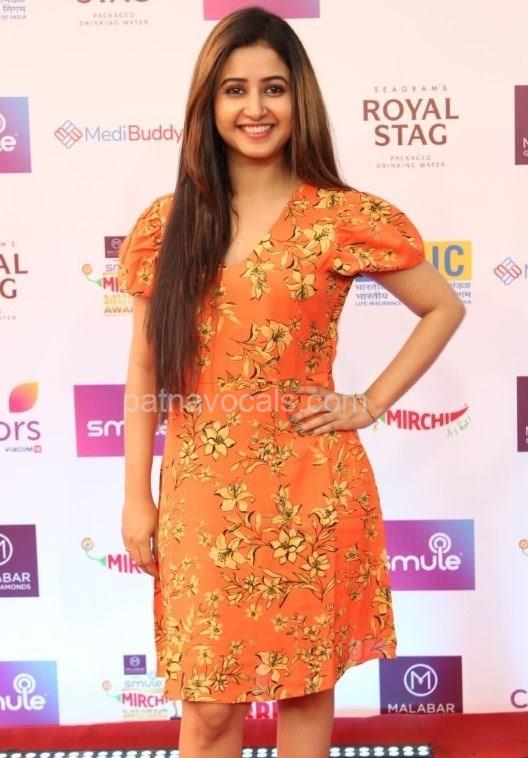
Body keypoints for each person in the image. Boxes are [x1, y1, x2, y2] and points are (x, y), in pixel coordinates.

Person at [117, 6, 465, 757]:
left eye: (273, 88)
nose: (256, 108)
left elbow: (442, 306)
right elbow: (143, 369)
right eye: (235, 89)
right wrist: (135, 495)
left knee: (305, 692)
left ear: (297, 98)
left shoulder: (340, 217)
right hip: (202, 492)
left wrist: (367, 404)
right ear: (208, 104)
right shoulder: (167, 224)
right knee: (209, 711)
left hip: (311, 485)